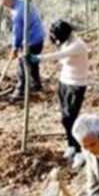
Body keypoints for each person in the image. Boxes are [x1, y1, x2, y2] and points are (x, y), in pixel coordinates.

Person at [29, 20, 90, 169]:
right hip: (64, 83)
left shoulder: (77, 45)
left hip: (76, 86)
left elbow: (60, 55)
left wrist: (38, 58)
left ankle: (80, 152)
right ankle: (71, 146)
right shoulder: (66, 41)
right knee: (65, 118)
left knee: (72, 119)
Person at [0, 0, 45, 101]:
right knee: (33, 63)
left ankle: (20, 91)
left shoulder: (18, 12)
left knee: (22, 65)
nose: (4, 7)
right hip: (39, 38)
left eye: (5, 3)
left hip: (32, 40)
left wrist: (15, 48)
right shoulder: (23, 3)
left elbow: (18, 33)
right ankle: (36, 85)